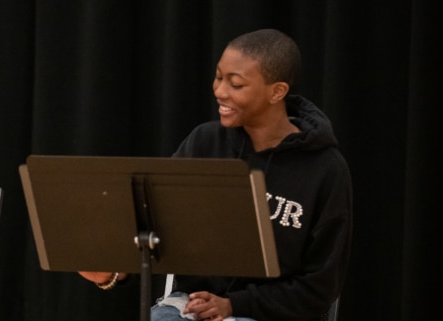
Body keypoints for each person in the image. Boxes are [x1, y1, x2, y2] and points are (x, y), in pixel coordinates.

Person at [80, 29, 352, 321]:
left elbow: (320, 286)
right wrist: (115, 272)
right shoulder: (204, 142)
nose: (219, 91)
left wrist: (235, 305)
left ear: (277, 91)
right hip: (190, 306)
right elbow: (157, 226)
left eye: (236, 84)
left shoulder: (326, 169)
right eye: (219, 77)